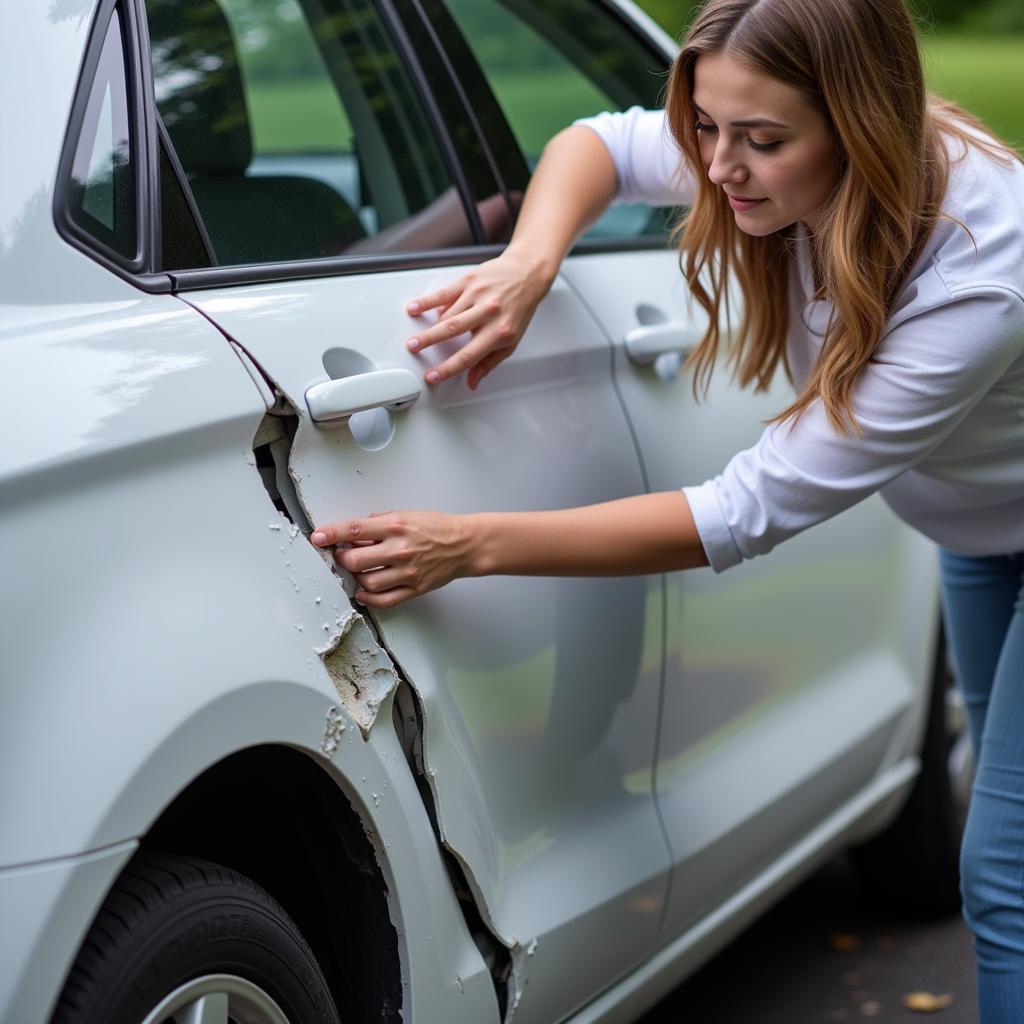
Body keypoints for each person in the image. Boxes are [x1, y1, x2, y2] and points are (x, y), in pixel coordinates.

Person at [310, 0, 1024, 1014]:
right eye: (705, 128)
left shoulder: (978, 276)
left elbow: (745, 508)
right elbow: (595, 144)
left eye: (760, 141)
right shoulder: (754, 141)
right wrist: (529, 260)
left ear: (859, 127)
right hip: (979, 524)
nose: (718, 166)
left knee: (1004, 872)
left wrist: (469, 543)